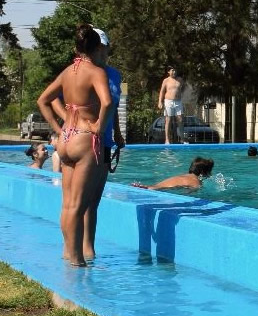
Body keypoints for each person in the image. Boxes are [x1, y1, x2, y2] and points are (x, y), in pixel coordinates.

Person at [36, 23, 113, 267]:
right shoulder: (96, 72)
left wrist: (59, 130)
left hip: (66, 139)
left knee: (67, 204)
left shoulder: (68, 71)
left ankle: (68, 253)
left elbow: (43, 100)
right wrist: (99, 127)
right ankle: (77, 260)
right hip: (84, 140)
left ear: (76, 47)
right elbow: (108, 103)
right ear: (97, 47)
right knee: (79, 206)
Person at [81, 28, 124, 261]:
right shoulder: (83, 72)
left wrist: (117, 132)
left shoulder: (115, 75)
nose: (103, 52)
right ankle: (76, 249)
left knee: (94, 200)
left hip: (105, 141)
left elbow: (113, 105)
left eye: (105, 48)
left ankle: (89, 248)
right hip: (86, 141)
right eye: (100, 48)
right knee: (81, 199)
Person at [131, 157, 214, 191]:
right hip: (160, 190)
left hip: (155, 187)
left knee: (153, 187)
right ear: (203, 172)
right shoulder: (195, 181)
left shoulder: (183, 175)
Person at [158, 66, 184, 144]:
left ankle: (182, 139)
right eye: (172, 70)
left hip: (178, 102)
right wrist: (160, 102)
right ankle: (167, 139)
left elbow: (180, 90)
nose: (174, 72)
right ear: (168, 72)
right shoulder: (166, 80)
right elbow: (162, 92)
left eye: (175, 70)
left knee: (180, 120)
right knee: (168, 120)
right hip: (168, 101)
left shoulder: (180, 80)